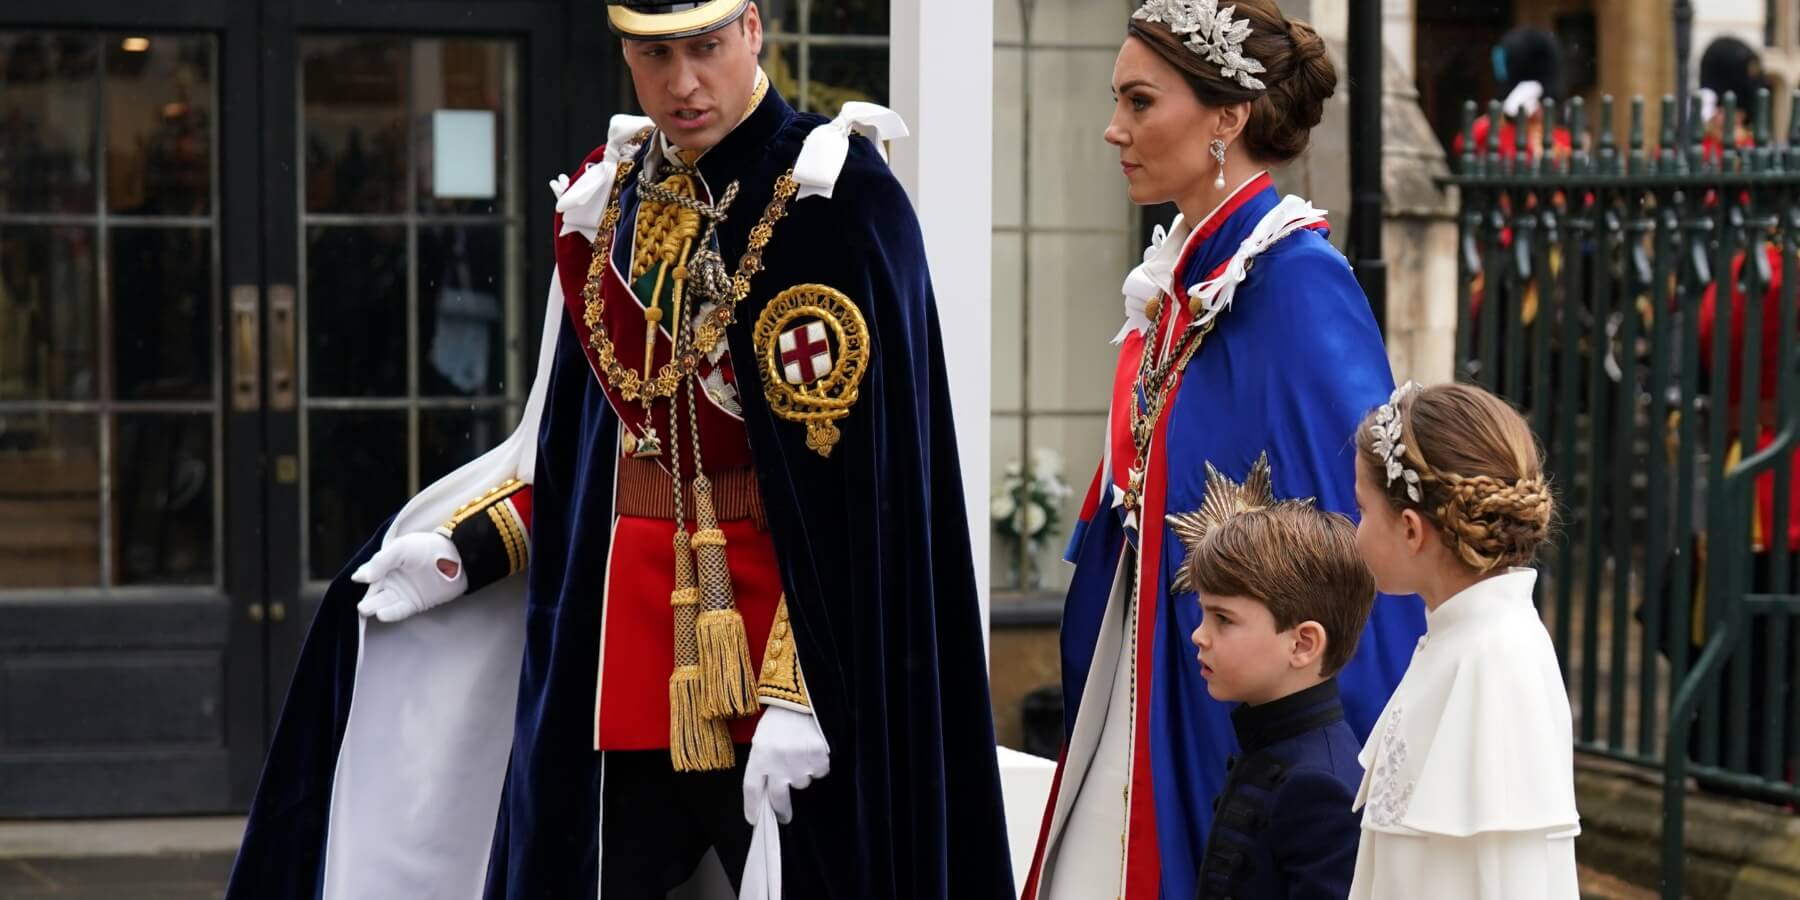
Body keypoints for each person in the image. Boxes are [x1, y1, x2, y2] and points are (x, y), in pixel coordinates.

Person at [224, 1, 1014, 898]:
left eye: (706, 48)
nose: (682, 83)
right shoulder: (616, 196)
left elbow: (867, 494)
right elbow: (582, 452)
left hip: (796, 659)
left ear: (753, 29)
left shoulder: (838, 196)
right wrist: (466, 553)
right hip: (622, 655)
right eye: (655, 54)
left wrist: (799, 690)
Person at [1018, 2, 1425, 897]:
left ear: (1227, 119)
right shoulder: (1189, 276)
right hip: (1149, 677)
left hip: (1224, 711)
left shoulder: (1294, 280)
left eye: (1138, 101)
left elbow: (1363, 532)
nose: (1114, 128)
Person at [1347, 381, 1579, 899]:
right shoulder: (1457, 639)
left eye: (1362, 510)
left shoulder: (1494, 662)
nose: (1354, 532)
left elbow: (1507, 880)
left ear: (1411, 529)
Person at [1178, 462, 1373, 899]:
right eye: (1204, 612)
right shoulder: (1268, 746)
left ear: (1303, 644)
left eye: (1223, 619)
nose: (1198, 634)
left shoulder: (1319, 785)